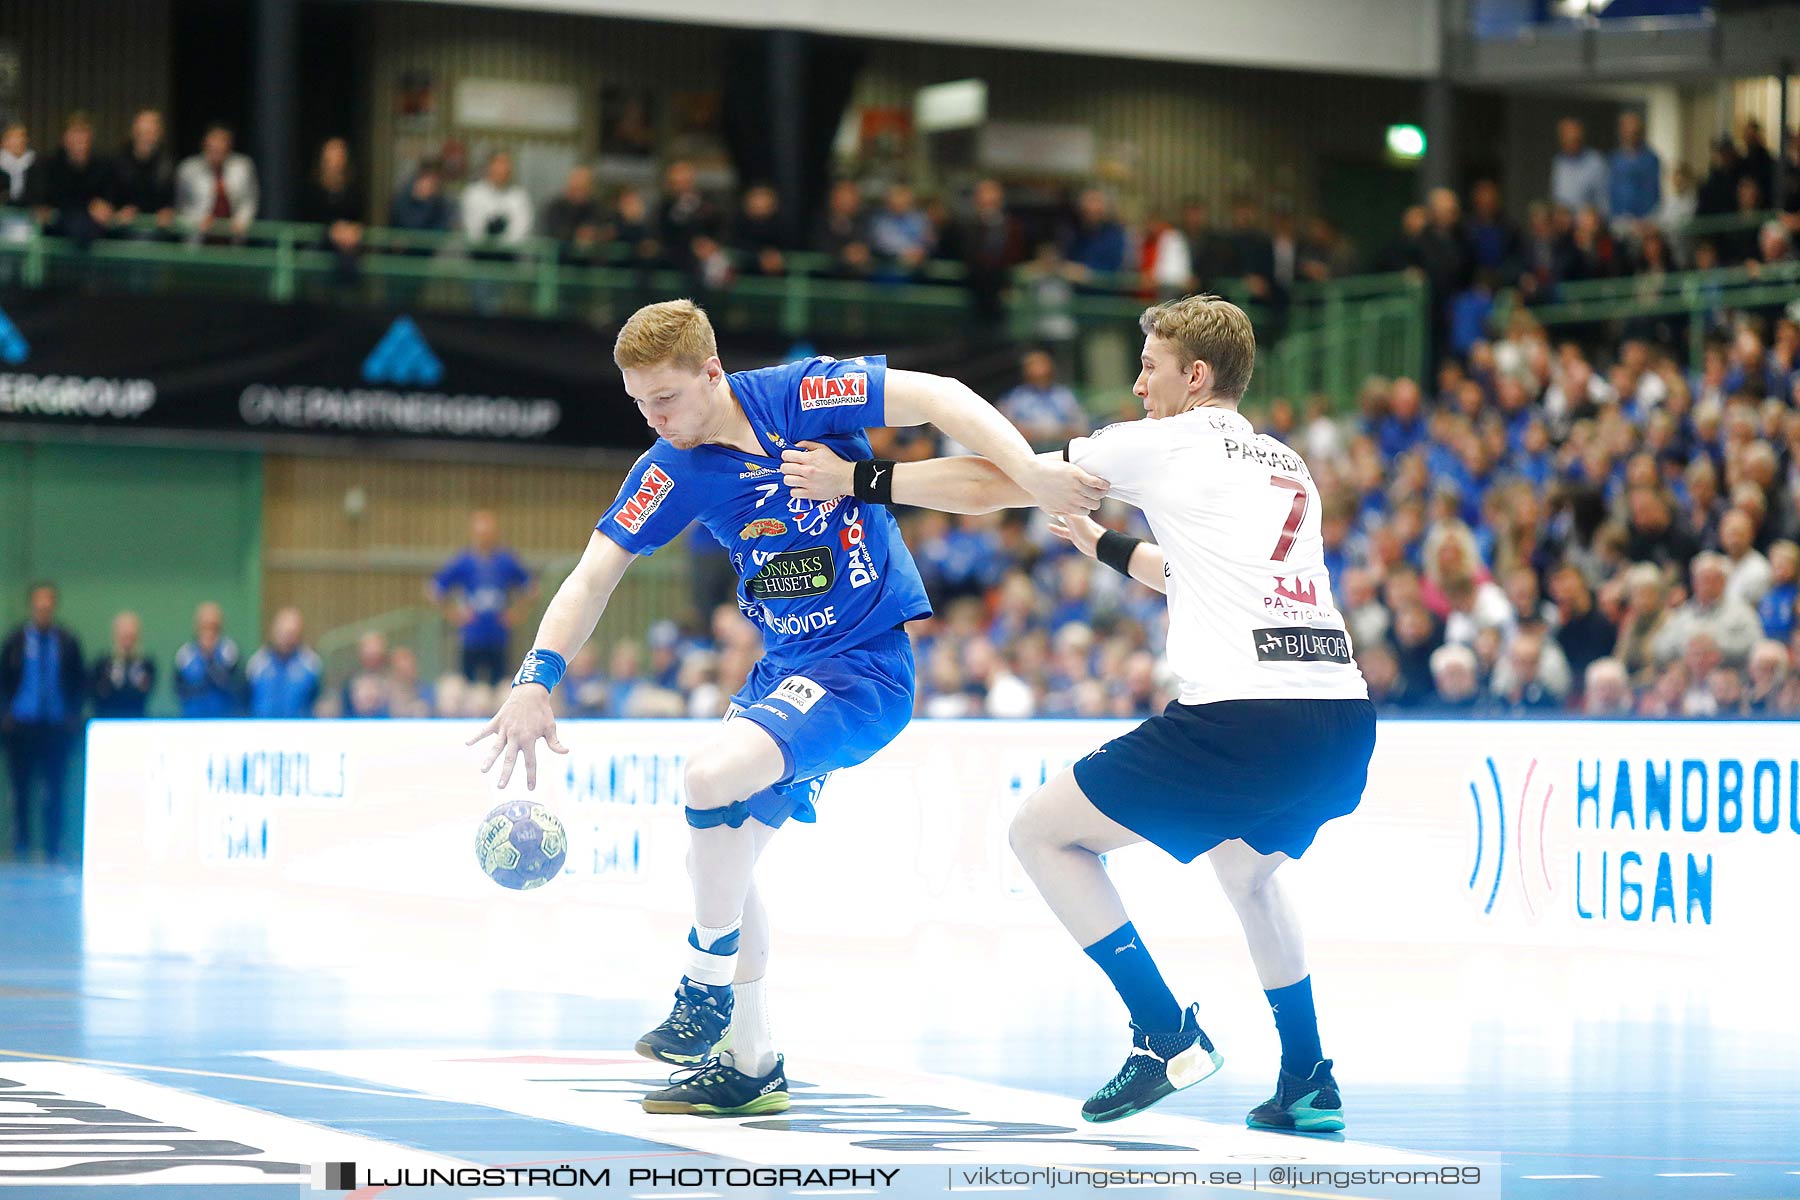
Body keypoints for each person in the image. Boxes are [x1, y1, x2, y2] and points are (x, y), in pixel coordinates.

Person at [469, 298, 1103, 1117]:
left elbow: (942, 395)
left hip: (863, 668)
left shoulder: (800, 397)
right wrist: (533, 679)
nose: (654, 419)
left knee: (708, 779)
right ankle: (752, 1061)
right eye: (638, 405)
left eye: (665, 399)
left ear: (711, 372)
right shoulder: (668, 468)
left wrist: (1033, 471)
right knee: (720, 853)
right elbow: (594, 574)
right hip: (784, 672)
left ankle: (703, 987)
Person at [780, 295, 1373, 1130]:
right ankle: (1309, 1076)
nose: (1136, 387)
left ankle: (1164, 1032)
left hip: (1250, 717)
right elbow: (1202, 578)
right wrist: (1108, 546)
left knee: (1042, 833)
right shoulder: (1285, 463)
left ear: (1195, 377)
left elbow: (1001, 480)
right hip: (1343, 719)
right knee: (1248, 870)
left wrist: (857, 481)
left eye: (1150, 368)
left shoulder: (1165, 440)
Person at [0, 584, 85, 861]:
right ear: (31, 607)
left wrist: (72, 715)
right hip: (22, 726)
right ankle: (21, 843)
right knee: (21, 789)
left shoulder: (67, 641)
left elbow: (78, 680)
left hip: (56, 726)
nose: (43, 609)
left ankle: (53, 845)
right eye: (39, 604)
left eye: (48, 604)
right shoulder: (16, 641)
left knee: (55, 789)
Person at [431, 511, 536, 685]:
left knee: (500, 685)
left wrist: (516, 614)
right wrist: (454, 614)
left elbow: (531, 588)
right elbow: (435, 589)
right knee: (468, 686)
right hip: (471, 637)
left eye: (488, 533)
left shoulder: (506, 561)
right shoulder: (463, 561)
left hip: (499, 637)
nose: (484, 537)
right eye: (480, 533)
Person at [247, 607, 323, 719]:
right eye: (282, 632)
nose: (287, 638)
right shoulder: (257, 663)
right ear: (274, 631)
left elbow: (318, 699)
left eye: (291, 633)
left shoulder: (311, 665)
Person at [173, 602, 244, 717]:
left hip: (224, 721)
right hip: (193, 721)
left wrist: (214, 667)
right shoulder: (185, 655)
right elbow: (178, 691)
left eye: (214, 627)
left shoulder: (231, 653)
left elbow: (239, 688)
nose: (209, 632)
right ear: (197, 627)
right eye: (205, 627)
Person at [90, 611, 156, 718]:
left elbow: (143, 693)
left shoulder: (147, 665)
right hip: (107, 720)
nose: (128, 642)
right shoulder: (102, 665)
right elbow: (98, 693)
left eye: (131, 637)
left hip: (136, 719)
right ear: (115, 635)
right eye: (124, 636)